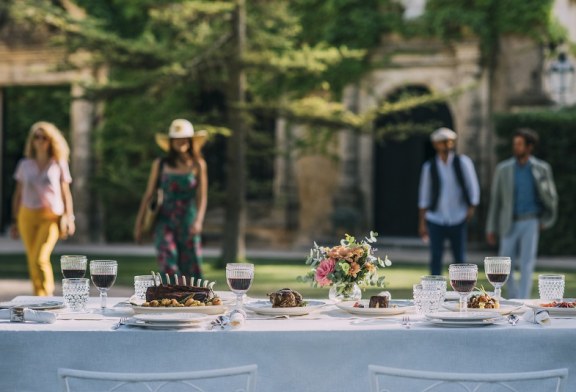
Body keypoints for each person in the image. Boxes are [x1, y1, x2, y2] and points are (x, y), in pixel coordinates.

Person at [486, 128, 557, 299]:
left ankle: (523, 301)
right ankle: (514, 298)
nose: (516, 147)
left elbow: (552, 197)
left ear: (529, 147)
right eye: (515, 144)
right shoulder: (503, 169)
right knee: (503, 266)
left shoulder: (542, 168)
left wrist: (546, 220)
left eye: (519, 144)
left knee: (527, 265)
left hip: (531, 222)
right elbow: (496, 200)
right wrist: (491, 227)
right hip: (508, 222)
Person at [134, 119, 208, 280]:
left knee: (191, 266)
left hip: (188, 219)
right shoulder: (160, 164)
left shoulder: (198, 164)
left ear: (190, 141)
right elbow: (149, 194)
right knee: (168, 263)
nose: (180, 141)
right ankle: (170, 299)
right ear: (171, 141)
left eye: (184, 137)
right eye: (176, 138)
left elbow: (202, 196)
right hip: (164, 219)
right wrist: (139, 223)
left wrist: (199, 221)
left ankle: (193, 302)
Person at [10, 121, 75, 296]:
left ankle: (46, 295)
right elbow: (18, 194)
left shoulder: (58, 163)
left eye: (44, 137)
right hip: (27, 215)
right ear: (32, 141)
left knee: (40, 257)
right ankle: (37, 296)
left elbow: (65, 193)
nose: (40, 141)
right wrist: (15, 220)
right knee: (32, 258)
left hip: (51, 216)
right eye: (36, 137)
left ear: (51, 140)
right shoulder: (24, 165)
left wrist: (69, 218)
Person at [418, 127, 480, 275]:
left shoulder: (463, 162)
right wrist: (422, 222)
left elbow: (473, 187)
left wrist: (471, 208)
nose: (446, 145)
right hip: (436, 217)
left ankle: (462, 290)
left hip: (458, 216)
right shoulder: (429, 167)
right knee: (435, 257)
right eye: (442, 142)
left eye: (449, 142)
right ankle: (434, 291)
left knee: (460, 259)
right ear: (435, 144)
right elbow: (424, 196)